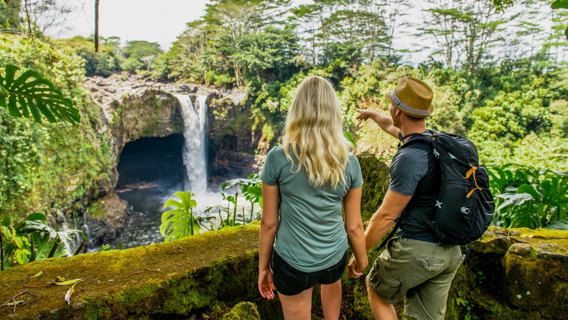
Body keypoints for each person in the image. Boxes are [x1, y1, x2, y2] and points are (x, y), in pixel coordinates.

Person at [349, 77, 463, 320]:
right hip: (450, 251)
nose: (388, 108)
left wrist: (361, 256)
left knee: (376, 287)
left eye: (391, 104)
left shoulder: (409, 157)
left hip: (419, 249)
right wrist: (371, 114)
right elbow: (390, 126)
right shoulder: (433, 141)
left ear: (397, 110)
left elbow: (387, 216)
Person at [258, 76, 368, 320]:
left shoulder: (277, 158)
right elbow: (354, 227)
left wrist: (264, 268)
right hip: (334, 259)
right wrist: (361, 262)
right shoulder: (350, 163)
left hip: (293, 263)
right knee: (331, 281)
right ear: (334, 113)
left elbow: (269, 223)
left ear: (297, 111)